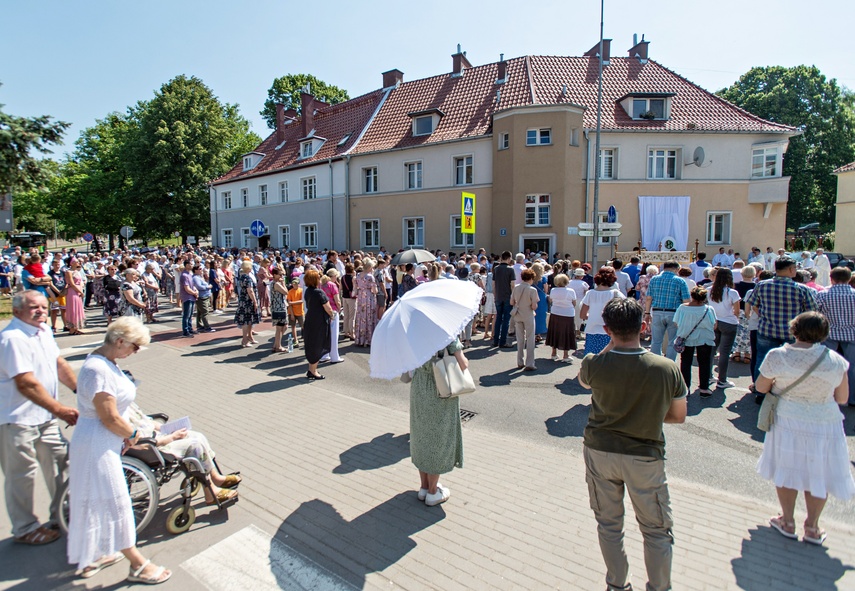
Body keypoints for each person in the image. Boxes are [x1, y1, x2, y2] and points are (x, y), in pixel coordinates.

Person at [578, 298, 687, 591]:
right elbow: (678, 416)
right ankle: (659, 587)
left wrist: (611, 344)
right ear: (644, 326)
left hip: (600, 450)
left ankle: (617, 584)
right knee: (656, 530)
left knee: (610, 526)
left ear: (606, 329)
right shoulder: (666, 368)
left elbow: (585, 383)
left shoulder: (593, 364)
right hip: (645, 455)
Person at [66, 317, 171, 583]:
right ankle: (137, 565)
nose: (135, 353)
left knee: (99, 499)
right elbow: (109, 417)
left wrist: (124, 434)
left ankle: (101, 550)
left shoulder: (106, 362)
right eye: (135, 347)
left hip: (104, 440)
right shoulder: (97, 370)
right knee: (116, 503)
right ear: (121, 341)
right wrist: (133, 434)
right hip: (97, 444)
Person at [755, 312, 854, 545]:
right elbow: (842, 397)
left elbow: (761, 387)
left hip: (788, 418)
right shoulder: (836, 360)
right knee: (818, 473)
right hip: (825, 421)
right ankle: (812, 526)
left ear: (794, 329)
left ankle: (787, 521)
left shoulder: (778, 356)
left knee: (787, 468)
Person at [0, 291, 78, 546]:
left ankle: (62, 512)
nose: (41, 311)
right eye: (34, 307)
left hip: (44, 416)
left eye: (44, 307)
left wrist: (81, 391)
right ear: (17, 311)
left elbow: (58, 364)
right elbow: (26, 383)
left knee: (62, 462)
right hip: (17, 419)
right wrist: (60, 409)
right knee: (22, 475)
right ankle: (25, 528)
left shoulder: (43, 331)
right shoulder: (12, 339)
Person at [126, 404, 239, 506]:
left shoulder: (126, 405)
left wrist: (168, 428)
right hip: (155, 448)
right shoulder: (119, 418)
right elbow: (142, 444)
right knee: (195, 446)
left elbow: (147, 422)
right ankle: (210, 492)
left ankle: (216, 477)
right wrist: (172, 437)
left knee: (198, 436)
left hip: (158, 437)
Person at [746, 255, 818, 402]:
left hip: (767, 330)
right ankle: (788, 391)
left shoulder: (762, 285)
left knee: (763, 360)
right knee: (792, 362)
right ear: (791, 270)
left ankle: (761, 391)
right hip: (791, 333)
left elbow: (753, 303)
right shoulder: (801, 289)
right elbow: (811, 311)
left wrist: (763, 316)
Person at [408, 338, 468, 506]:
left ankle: (424, 487)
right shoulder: (445, 332)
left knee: (421, 435)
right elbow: (463, 364)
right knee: (437, 437)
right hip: (440, 385)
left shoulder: (414, 329)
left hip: (419, 385)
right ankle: (433, 492)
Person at [816, 266, 855, 406]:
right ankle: (851, 397)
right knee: (852, 367)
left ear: (831, 279)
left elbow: (816, 313)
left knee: (827, 365)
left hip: (829, 333)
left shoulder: (823, 294)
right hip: (852, 333)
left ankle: (828, 394)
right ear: (849, 278)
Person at [673, 286, 716, 396]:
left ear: (692, 296)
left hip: (686, 338)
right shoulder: (708, 309)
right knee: (705, 363)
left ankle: (686, 388)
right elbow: (714, 325)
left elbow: (676, 322)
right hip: (705, 338)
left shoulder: (682, 308)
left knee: (686, 362)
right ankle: (704, 388)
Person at [644, 261, 690, 360]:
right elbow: (686, 300)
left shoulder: (654, 279)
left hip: (657, 311)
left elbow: (648, 298)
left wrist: (647, 312)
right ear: (676, 269)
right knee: (672, 341)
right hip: (674, 313)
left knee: (656, 341)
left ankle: (655, 363)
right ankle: (670, 364)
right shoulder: (680, 281)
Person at [708, 268, 741, 389]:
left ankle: (708, 375)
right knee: (724, 352)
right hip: (729, 323)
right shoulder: (732, 292)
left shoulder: (709, 290)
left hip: (714, 322)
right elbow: (736, 311)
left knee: (711, 350)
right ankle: (722, 380)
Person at [581, 267, 626, 355]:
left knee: (593, 361)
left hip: (591, 330)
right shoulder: (615, 294)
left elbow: (582, 315)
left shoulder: (590, 293)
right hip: (610, 331)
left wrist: (592, 317)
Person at [303, 270, 334, 380]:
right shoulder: (319, 292)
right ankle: (313, 370)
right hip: (319, 321)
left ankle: (311, 369)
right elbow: (328, 307)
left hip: (310, 319)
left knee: (311, 343)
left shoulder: (308, 291)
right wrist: (332, 315)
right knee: (318, 343)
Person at [510, 268, 539, 371]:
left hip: (518, 314)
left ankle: (520, 361)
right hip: (528, 315)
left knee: (520, 339)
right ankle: (530, 363)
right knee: (530, 339)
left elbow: (512, 302)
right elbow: (534, 306)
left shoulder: (516, 288)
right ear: (531, 278)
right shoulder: (532, 290)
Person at [545, 273, 577, 362]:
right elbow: (574, 303)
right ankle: (565, 355)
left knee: (555, 332)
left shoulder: (553, 290)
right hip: (568, 314)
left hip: (555, 312)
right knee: (567, 333)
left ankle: (554, 353)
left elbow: (551, 300)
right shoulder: (571, 291)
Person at [492, 251, 516, 348]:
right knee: (506, 319)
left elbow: (493, 284)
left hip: (498, 296)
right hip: (507, 296)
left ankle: (495, 340)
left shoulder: (496, 269)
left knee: (498, 318)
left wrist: (495, 295)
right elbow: (512, 285)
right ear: (509, 258)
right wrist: (513, 297)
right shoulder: (510, 270)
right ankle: (503, 342)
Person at [234, 260, 260, 347]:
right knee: (246, 320)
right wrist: (255, 301)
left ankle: (250, 337)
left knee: (250, 320)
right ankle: (244, 340)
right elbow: (250, 291)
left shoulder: (242, 276)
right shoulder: (247, 278)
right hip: (248, 301)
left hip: (243, 300)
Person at [321, 269, 344, 363]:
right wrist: (339, 308)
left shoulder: (321, 284)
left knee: (325, 334)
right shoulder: (332, 285)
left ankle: (324, 355)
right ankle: (334, 356)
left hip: (323, 311)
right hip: (333, 310)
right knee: (334, 335)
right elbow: (337, 300)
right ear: (333, 276)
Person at [353, 259, 378, 347]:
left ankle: (360, 339)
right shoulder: (370, 277)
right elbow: (374, 290)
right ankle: (368, 339)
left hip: (360, 297)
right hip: (369, 297)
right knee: (369, 317)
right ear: (369, 267)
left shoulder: (358, 275)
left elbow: (356, 287)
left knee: (361, 317)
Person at [270, 268, 291, 353]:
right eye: (280, 274)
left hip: (280, 306)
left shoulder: (275, 283)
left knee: (284, 326)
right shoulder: (276, 284)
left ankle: (276, 344)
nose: (281, 276)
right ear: (275, 275)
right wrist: (283, 283)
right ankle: (278, 346)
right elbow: (286, 292)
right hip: (278, 308)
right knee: (280, 327)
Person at [64, 258, 86, 335]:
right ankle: (72, 328)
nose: (78, 263)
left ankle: (76, 327)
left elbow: (81, 281)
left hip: (78, 291)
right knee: (73, 309)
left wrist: (81, 290)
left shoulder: (77, 271)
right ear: (72, 263)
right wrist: (80, 291)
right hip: (72, 291)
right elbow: (72, 284)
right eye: (76, 262)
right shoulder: (68, 272)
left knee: (78, 308)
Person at [192, 265, 215, 333]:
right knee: (205, 312)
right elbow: (199, 286)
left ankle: (199, 326)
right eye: (199, 269)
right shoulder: (195, 278)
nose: (201, 270)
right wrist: (208, 287)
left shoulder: (199, 277)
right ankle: (206, 327)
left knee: (200, 312)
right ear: (195, 270)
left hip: (205, 295)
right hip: (201, 296)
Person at [179, 261, 198, 337]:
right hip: (187, 297)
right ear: (186, 265)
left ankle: (190, 328)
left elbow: (192, 286)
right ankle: (185, 331)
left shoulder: (189, 274)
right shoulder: (184, 275)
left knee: (190, 315)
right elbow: (186, 288)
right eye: (190, 264)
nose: (192, 265)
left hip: (192, 296)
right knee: (186, 315)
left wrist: (195, 291)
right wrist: (194, 293)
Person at [287, 279, 305, 347]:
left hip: (300, 311)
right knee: (293, 326)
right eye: (294, 284)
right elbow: (289, 303)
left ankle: (306, 339)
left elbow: (302, 301)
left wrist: (292, 302)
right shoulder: (290, 292)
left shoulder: (301, 291)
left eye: (296, 284)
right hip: (292, 312)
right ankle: (295, 340)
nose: (295, 285)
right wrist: (291, 314)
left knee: (303, 325)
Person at [340, 263, 356, 340]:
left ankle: (346, 332)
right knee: (352, 316)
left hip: (344, 297)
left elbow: (340, 288)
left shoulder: (342, 277)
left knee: (346, 315)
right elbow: (355, 288)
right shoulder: (353, 278)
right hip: (351, 298)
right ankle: (352, 333)